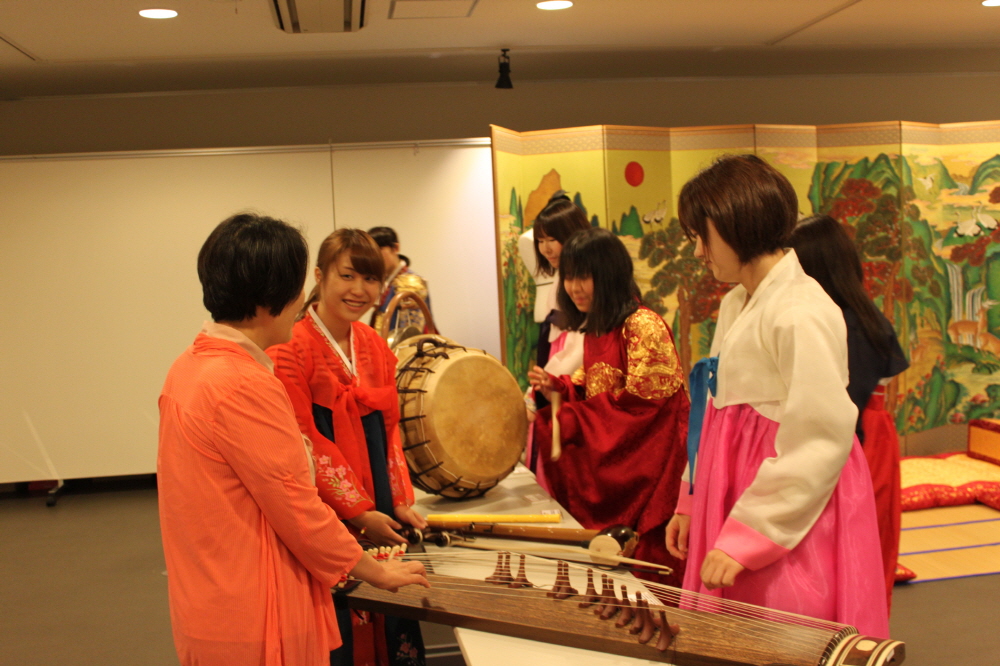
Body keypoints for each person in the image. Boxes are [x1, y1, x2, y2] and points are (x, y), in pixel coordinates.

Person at [158, 213, 428, 666]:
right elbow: (298, 507)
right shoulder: (243, 382)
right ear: (273, 296)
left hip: (211, 589)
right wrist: (373, 569)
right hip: (252, 601)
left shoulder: (190, 365)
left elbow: (388, 428)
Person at [664, 155, 889, 637]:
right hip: (736, 484)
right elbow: (714, 413)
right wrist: (691, 497)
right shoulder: (737, 301)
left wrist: (753, 534)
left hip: (787, 508)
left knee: (782, 628)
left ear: (737, 224)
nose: (699, 251)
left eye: (703, 236)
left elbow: (819, 438)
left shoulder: (800, 311)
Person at [267, 228, 428, 666]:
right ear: (320, 277)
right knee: (340, 614)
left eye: (370, 279)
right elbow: (304, 438)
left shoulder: (374, 343)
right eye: (347, 276)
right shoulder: (290, 348)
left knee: (392, 610)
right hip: (328, 508)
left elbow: (390, 428)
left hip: (377, 496)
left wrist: (397, 500)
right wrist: (357, 512)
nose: (360, 290)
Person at [528, 227, 689, 586]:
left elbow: (645, 414)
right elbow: (591, 384)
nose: (575, 287)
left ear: (609, 275)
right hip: (622, 461)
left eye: (584, 277)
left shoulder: (643, 325)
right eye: (569, 277)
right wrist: (558, 388)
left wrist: (571, 419)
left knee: (651, 573)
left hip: (656, 473)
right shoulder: (599, 328)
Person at [789, 213, 909, 613]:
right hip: (876, 437)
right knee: (873, 547)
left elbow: (835, 405)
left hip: (847, 439)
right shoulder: (870, 318)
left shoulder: (826, 322)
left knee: (837, 549)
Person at [521, 193, 590, 488]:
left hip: (570, 365)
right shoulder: (561, 275)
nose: (546, 248)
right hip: (556, 354)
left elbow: (577, 341)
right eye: (541, 240)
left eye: (553, 239)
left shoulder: (578, 278)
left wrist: (546, 382)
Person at [367, 227, 432, 336]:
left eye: (378, 251)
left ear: (395, 248)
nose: (374, 258)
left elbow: (410, 335)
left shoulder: (410, 283)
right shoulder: (384, 281)